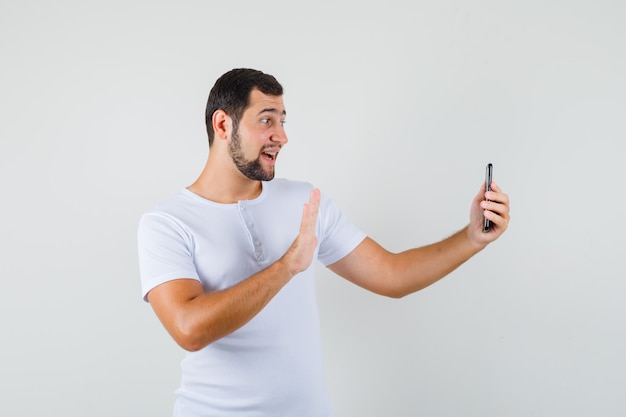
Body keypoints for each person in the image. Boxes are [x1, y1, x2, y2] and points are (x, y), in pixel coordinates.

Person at [137, 68, 510, 417]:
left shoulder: (305, 202)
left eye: (282, 121)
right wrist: (286, 267)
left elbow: (393, 275)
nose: (281, 136)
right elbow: (189, 329)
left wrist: (472, 237)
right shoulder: (167, 223)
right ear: (223, 124)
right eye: (267, 120)